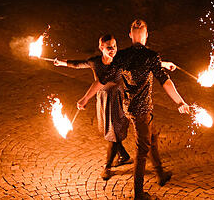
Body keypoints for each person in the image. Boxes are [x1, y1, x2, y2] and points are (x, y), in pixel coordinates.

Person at [77, 20, 192, 200]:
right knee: (142, 151)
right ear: (146, 35)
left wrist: (85, 98)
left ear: (130, 35)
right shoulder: (151, 56)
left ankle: (160, 173)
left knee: (152, 136)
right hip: (142, 111)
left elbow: (101, 80)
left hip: (128, 107)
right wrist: (180, 102)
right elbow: (165, 82)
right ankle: (139, 195)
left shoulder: (122, 56)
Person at [54, 34, 132, 180]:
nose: (113, 50)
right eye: (109, 47)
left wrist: (85, 99)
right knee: (109, 130)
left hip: (116, 99)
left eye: (114, 46)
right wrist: (61, 63)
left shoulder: (118, 62)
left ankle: (108, 167)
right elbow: (77, 64)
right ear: (101, 48)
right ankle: (124, 155)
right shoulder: (95, 62)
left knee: (113, 133)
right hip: (102, 98)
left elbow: (101, 82)